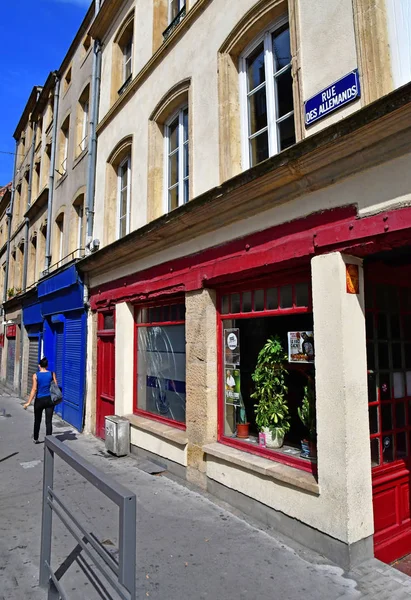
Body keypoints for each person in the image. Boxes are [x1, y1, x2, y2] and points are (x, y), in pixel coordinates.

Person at [23, 357, 57, 443]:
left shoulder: (36, 375)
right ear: (47, 365)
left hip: (39, 400)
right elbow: (55, 386)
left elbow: (34, 389)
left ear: (39, 365)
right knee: (48, 421)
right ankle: (49, 441)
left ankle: (35, 438)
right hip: (49, 400)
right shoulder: (52, 374)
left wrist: (28, 402)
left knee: (37, 420)